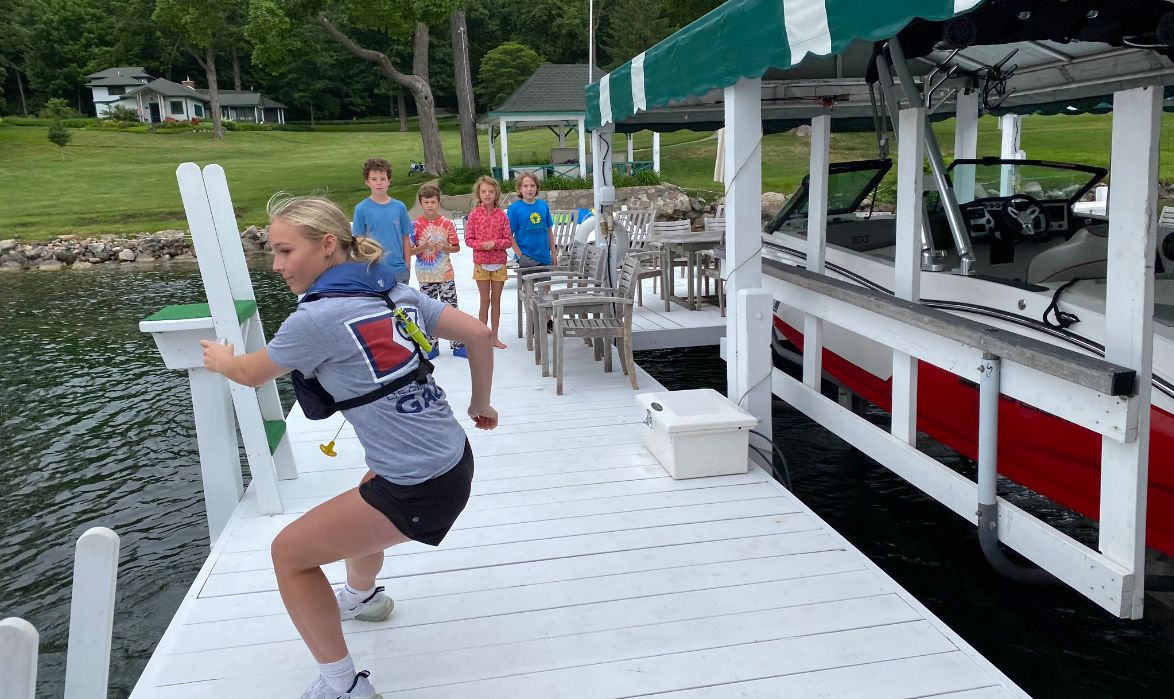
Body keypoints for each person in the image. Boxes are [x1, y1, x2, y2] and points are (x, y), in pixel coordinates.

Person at [199, 193, 497, 699]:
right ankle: (362, 598)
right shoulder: (392, 291)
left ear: (327, 245)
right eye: (273, 253)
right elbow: (480, 333)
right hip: (453, 456)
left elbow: (250, 374)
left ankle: (342, 687)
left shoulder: (314, 320)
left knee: (289, 555)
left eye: (285, 251)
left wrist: (223, 359)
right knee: (367, 490)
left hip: (421, 485)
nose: (276, 265)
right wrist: (480, 404)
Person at [410, 184, 466, 359]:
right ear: (421, 203)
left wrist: (445, 247)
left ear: (438, 202)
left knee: (451, 309)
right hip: (425, 276)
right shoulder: (415, 225)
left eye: (433, 202)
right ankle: (431, 346)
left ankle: (457, 345)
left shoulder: (447, 223)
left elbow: (456, 247)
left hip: (445, 274)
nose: (430, 205)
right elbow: (410, 251)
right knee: (428, 311)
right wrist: (425, 246)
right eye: (426, 202)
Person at [462, 175, 512, 349]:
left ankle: (495, 337)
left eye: (491, 191)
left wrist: (495, 243)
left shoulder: (502, 216)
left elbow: (508, 240)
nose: (487, 194)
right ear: (479, 194)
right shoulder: (474, 215)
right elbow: (468, 240)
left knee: (496, 300)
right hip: (481, 263)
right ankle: (482, 338)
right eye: (484, 191)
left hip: (499, 263)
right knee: (485, 300)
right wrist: (482, 245)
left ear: (496, 193)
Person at [352, 158, 413, 284]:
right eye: (374, 179)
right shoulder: (361, 209)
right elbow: (359, 242)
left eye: (383, 179)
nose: (379, 183)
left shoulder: (399, 207)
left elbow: (405, 238)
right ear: (367, 182)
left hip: (399, 271)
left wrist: (407, 266)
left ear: (389, 181)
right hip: (373, 270)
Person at [506, 171, 557, 269]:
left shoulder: (543, 205)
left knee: (546, 280)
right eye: (525, 186)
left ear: (537, 187)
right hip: (527, 257)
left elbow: (549, 231)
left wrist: (553, 254)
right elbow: (508, 234)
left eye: (532, 185)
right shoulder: (514, 209)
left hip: (545, 257)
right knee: (528, 280)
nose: (529, 189)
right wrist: (520, 255)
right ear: (520, 189)